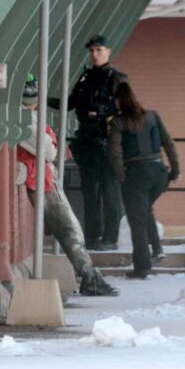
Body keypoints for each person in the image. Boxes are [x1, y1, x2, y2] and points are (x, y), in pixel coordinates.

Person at [17, 74, 119, 296]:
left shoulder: (30, 119)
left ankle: (90, 275)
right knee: (70, 230)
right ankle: (90, 277)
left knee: (70, 230)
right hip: (40, 180)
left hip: (43, 178)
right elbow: (50, 151)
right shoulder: (25, 120)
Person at [48, 35, 126, 251]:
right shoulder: (86, 77)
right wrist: (43, 98)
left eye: (99, 50)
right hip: (88, 143)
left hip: (107, 143)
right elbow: (70, 103)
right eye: (92, 50)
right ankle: (92, 237)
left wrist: (104, 111)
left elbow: (127, 109)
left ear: (108, 51)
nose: (94, 54)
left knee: (109, 192)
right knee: (89, 192)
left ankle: (110, 238)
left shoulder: (116, 78)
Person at [107, 83, 180, 279]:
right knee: (144, 209)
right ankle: (157, 249)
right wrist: (175, 170)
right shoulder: (153, 116)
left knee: (136, 220)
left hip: (136, 175)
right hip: (159, 173)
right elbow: (168, 143)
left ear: (118, 101)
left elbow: (115, 152)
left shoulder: (118, 122)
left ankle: (142, 266)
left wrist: (121, 176)